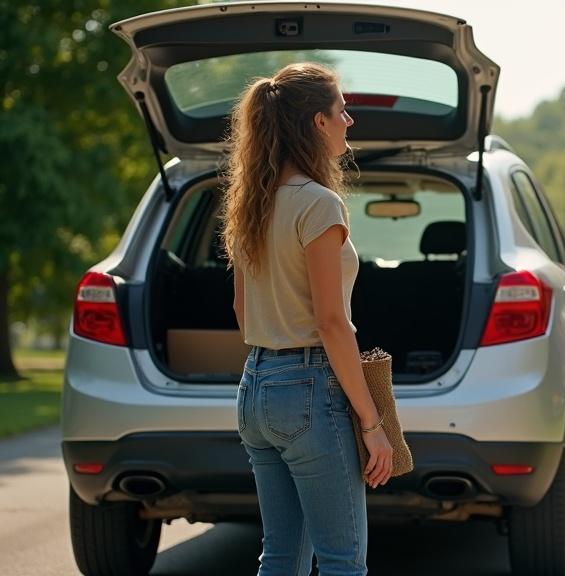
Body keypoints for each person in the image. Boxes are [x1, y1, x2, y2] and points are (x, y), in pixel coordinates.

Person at [222, 62, 393, 576]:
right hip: (309, 391)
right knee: (343, 562)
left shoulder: (250, 203)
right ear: (318, 122)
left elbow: (240, 308)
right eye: (343, 111)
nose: (350, 121)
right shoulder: (319, 205)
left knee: (281, 557)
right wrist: (372, 423)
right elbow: (331, 323)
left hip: (255, 386)